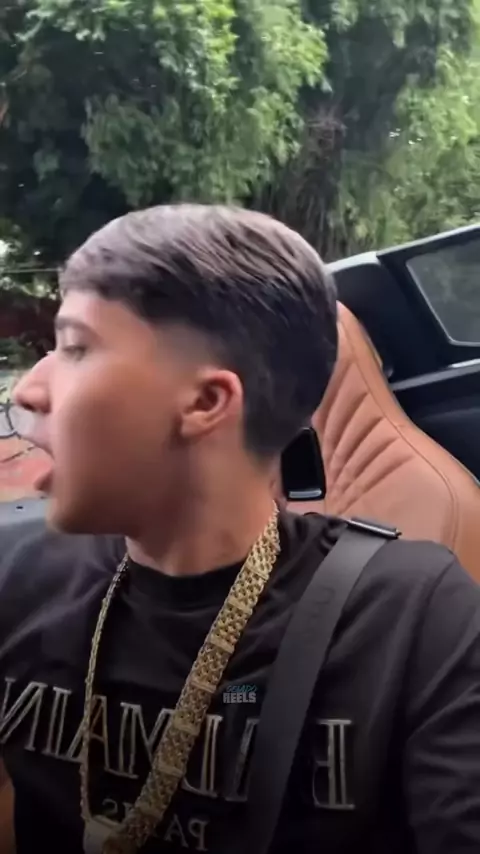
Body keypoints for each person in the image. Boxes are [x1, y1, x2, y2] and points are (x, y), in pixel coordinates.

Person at [0, 204, 478, 854]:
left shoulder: (416, 618)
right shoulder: (20, 577)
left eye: (77, 347)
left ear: (205, 403)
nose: (28, 390)